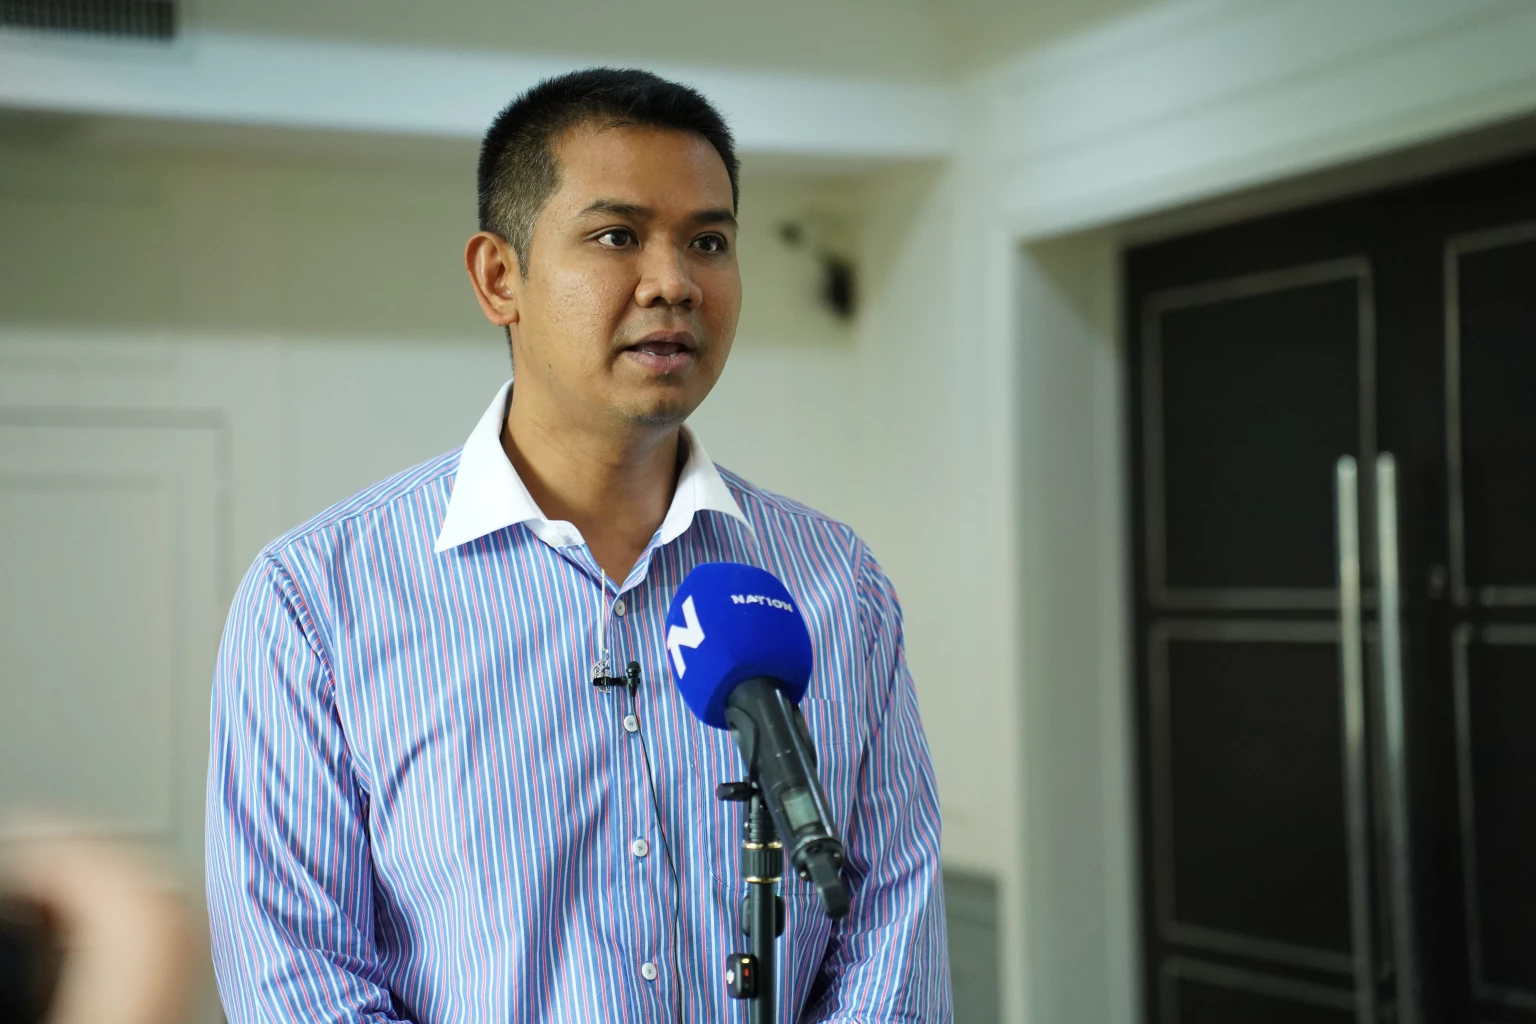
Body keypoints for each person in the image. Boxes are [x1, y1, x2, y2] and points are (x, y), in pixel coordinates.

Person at [206, 68, 950, 1023]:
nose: (673, 282)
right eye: (616, 237)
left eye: (709, 242)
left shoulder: (834, 583)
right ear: (499, 278)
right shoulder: (317, 600)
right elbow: (297, 977)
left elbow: (892, 932)